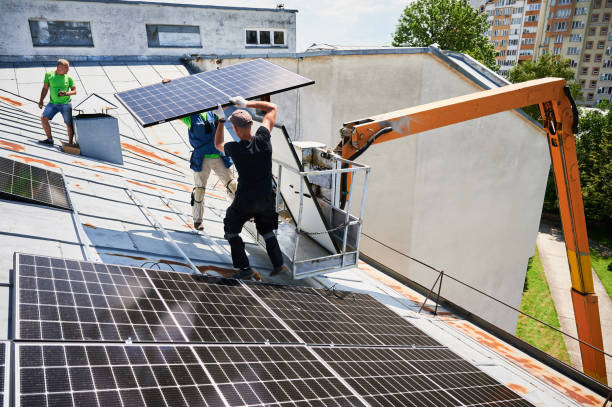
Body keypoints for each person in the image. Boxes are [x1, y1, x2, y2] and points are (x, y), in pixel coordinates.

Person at [214, 97, 285, 279]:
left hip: (245, 200)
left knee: (231, 230)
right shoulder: (264, 139)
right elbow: (272, 107)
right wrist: (246, 104)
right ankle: (278, 264)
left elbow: (218, 145)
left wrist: (221, 121)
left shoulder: (235, 149)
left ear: (236, 130)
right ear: (252, 124)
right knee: (267, 230)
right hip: (266, 197)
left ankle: (245, 269)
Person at [163, 78, 237, 231]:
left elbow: (227, 98)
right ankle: (198, 220)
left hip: (219, 156)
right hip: (202, 159)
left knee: (232, 185)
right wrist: (170, 87)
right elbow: (174, 108)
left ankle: (244, 212)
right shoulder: (190, 117)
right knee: (199, 190)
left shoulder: (213, 112)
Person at [38, 59, 77, 145]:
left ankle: (70, 143)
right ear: (59, 67)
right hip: (52, 104)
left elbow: (74, 91)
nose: (68, 70)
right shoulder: (49, 75)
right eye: (66, 68)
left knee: (68, 123)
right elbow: (45, 88)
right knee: (43, 118)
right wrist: (41, 100)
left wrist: (66, 93)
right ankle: (49, 140)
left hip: (66, 105)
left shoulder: (68, 78)